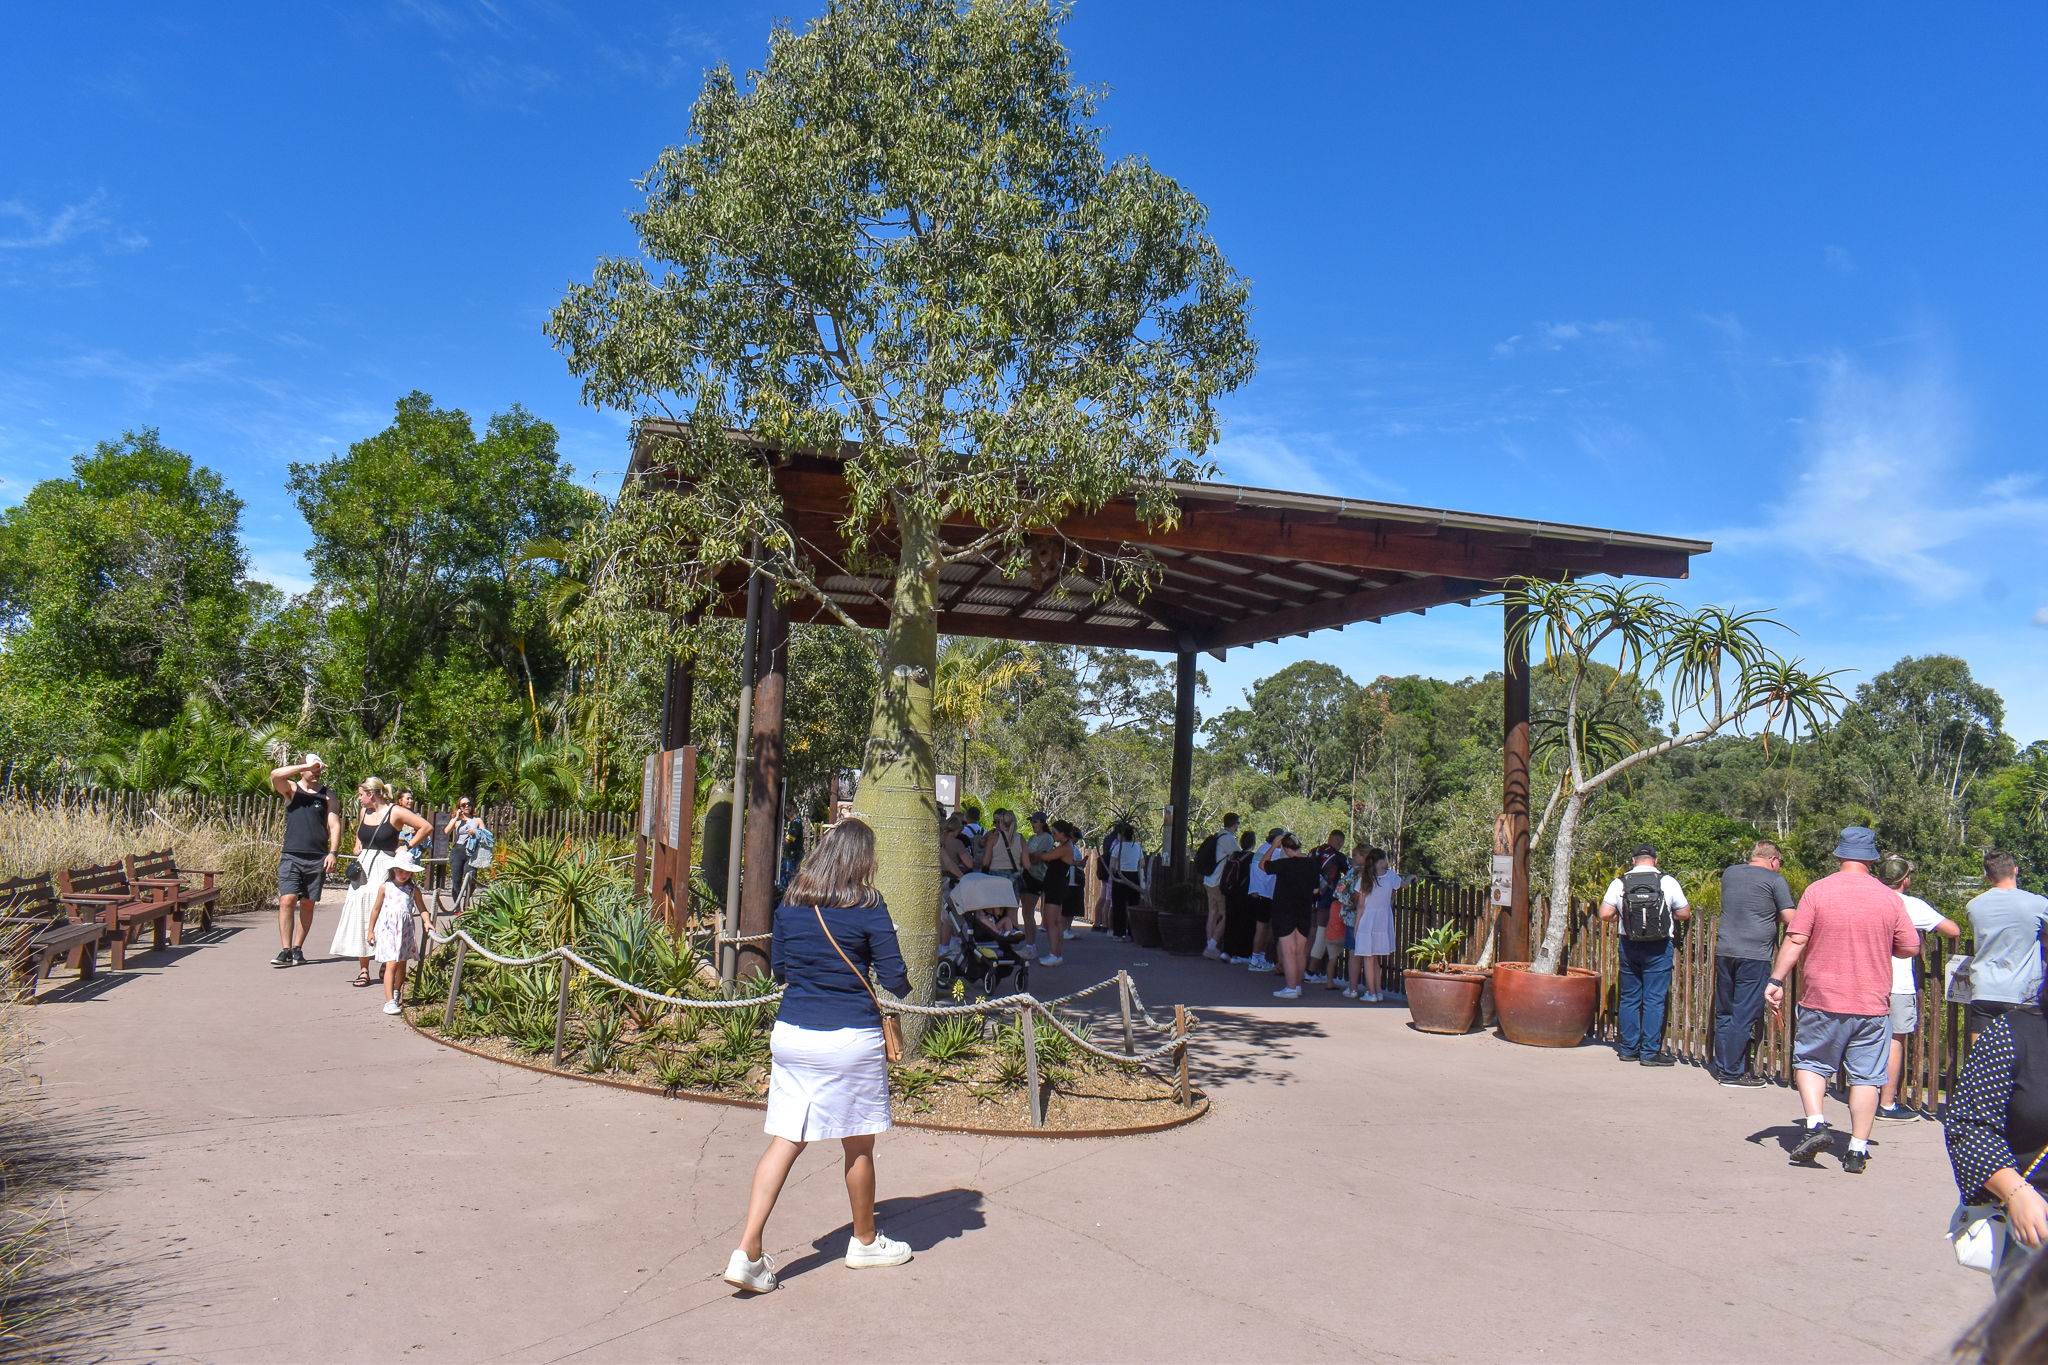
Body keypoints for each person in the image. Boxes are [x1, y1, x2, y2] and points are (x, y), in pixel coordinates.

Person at [724, 818, 914, 1293]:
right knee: (858, 1143)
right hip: (848, 1037)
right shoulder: (869, 905)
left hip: (792, 1032)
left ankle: (747, 1251)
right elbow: (895, 977)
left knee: (786, 1138)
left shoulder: (790, 905)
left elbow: (782, 970)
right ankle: (865, 1242)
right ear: (861, 861)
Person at [1764, 826, 1920, 1173]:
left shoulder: (1818, 891)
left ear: (1839, 856)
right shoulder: (1889, 898)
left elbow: (1796, 940)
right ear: (1872, 859)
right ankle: (1857, 1150)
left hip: (1823, 997)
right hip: (1872, 1001)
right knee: (1866, 1077)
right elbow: (1910, 946)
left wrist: (1776, 979)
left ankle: (1816, 1123)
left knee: (1811, 1062)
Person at [1875, 855, 1959, 1122]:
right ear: (1906, 880)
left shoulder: (1867, 899)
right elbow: (1953, 930)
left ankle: (1860, 1094)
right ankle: (1885, 1104)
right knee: (1895, 1041)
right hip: (1896, 983)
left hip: (1864, 979)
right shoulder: (1913, 906)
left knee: (1862, 1039)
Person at [330, 777, 433, 989]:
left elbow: (426, 827)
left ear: (372, 794)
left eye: (361, 794)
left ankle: (386, 960)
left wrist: (407, 845)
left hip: (384, 865)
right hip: (363, 867)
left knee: (383, 913)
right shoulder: (364, 813)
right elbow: (362, 837)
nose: (358, 798)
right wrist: (358, 846)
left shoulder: (395, 811)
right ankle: (364, 968)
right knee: (361, 913)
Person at [1711, 840, 1797, 1087]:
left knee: (1725, 1012)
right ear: (1773, 860)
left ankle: (1723, 1066)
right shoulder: (1774, 880)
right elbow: (1791, 918)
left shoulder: (1730, 873)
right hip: (1754, 955)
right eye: (1780, 862)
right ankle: (1733, 1073)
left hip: (1725, 951)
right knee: (1744, 1014)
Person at [1599, 844, 1691, 1066]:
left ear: (1633, 860)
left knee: (1629, 997)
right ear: (1655, 861)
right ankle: (1650, 1053)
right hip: (1659, 946)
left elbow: (1604, 913)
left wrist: (1621, 920)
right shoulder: (1667, 882)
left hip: (1629, 944)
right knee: (1654, 1000)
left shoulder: (1620, 882)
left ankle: (1629, 1050)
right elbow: (1684, 913)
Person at [1967, 851, 2048, 1043]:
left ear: (1989, 876)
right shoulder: (2037, 904)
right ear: (2016, 870)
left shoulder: (1974, 906)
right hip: (2022, 993)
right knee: (2022, 1061)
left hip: (1984, 990)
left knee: (1982, 1058)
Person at [268, 754, 341, 968]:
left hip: (317, 856)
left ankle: (298, 948)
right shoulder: (291, 790)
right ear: (303, 769)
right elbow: (275, 775)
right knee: (287, 900)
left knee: (307, 904)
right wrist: (305, 765)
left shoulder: (328, 795)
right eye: (313, 769)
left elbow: (334, 825)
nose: (317, 773)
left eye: (319, 770)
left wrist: (333, 852)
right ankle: (285, 950)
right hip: (292, 854)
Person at [370, 848, 429, 1016]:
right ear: (394, 870)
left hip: (404, 931)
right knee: (391, 964)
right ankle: (389, 1001)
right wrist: (370, 931)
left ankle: (396, 991)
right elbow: (376, 909)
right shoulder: (385, 887)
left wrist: (427, 922)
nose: (403, 875)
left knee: (402, 963)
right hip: (388, 929)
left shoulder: (413, 890)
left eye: (407, 872)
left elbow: (422, 908)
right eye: (400, 871)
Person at [1263, 833, 1321, 999]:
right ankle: (1297, 985)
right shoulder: (1313, 863)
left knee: (1288, 951)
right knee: (1300, 952)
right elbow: (1316, 890)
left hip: (1284, 910)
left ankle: (1290, 988)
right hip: (1304, 911)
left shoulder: (1284, 864)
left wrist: (1274, 846)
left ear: (1287, 849)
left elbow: (1263, 866)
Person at [1347, 847, 1404, 1001]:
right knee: (1375, 959)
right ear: (1381, 861)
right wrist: (1411, 877)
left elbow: (1360, 905)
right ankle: (1377, 992)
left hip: (1368, 919)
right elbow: (1403, 885)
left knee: (1368, 958)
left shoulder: (1365, 878)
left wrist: (1357, 926)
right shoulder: (1391, 876)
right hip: (1383, 919)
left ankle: (1371, 993)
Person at [1304, 829, 1349, 986]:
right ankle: (1310, 971)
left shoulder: (1314, 852)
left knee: (1311, 932)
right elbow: (1350, 873)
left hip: (1310, 898)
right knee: (1322, 934)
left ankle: (1301, 968)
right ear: (1339, 842)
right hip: (1326, 899)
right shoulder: (1338, 857)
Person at [1196, 812, 1241, 959]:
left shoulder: (1217, 836)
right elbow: (1239, 856)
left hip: (1208, 880)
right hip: (1219, 882)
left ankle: (1210, 946)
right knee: (1226, 915)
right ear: (1235, 825)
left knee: (1213, 914)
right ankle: (1211, 946)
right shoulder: (1228, 839)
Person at [1017, 811, 1057, 959]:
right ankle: (1028, 945)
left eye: (1035, 821)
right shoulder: (1032, 838)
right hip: (1026, 874)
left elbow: (1038, 857)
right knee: (1025, 912)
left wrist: (1030, 857)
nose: (1032, 825)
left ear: (1042, 822)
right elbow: (1025, 855)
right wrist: (1029, 857)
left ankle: (1031, 946)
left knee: (1028, 910)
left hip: (1036, 876)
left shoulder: (1047, 838)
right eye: (1031, 822)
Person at [978, 808, 1027, 923]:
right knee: (1013, 912)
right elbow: (1027, 864)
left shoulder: (994, 838)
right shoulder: (1021, 839)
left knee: (996, 912)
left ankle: (999, 937)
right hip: (1014, 877)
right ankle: (1014, 935)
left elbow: (985, 862)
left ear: (1001, 822)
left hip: (996, 877)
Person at [1245, 827, 1283, 974]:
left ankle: (1260, 957)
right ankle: (1255, 959)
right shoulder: (1276, 852)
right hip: (1265, 893)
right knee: (1262, 927)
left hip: (1255, 890)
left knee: (1264, 926)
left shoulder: (1262, 848)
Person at [1218, 833, 1257, 962]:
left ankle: (1226, 951)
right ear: (1253, 843)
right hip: (1244, 894)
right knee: (1243, 923)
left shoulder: (1234, 855)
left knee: (1230, 922)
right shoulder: (1252, 858)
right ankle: (1238, 954)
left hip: (1230, 892)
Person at [446, 797, 490, 909]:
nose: (466, 806)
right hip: (458, 851)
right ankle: (457, 906)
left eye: (468, 804)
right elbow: (446, 831)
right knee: (456, 881)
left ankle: (466, 903)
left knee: (471, 878)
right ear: (459, 807)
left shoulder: (477, 820)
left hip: (472, 852)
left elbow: (485, 836)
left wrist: (476, 832)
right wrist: (456, 817)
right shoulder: (457, 821)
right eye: (463, 805)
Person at [1107, 822, 1145, 941]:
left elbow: (1112, 866)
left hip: (1120, 875)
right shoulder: (1137, 846)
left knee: (1119, 906)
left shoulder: (1118, 847)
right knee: (1133, 905)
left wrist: (1113, 873)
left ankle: (1119, 933)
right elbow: (1142, 863)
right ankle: (1133, 933)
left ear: (1121, 835)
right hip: (1134, 876)